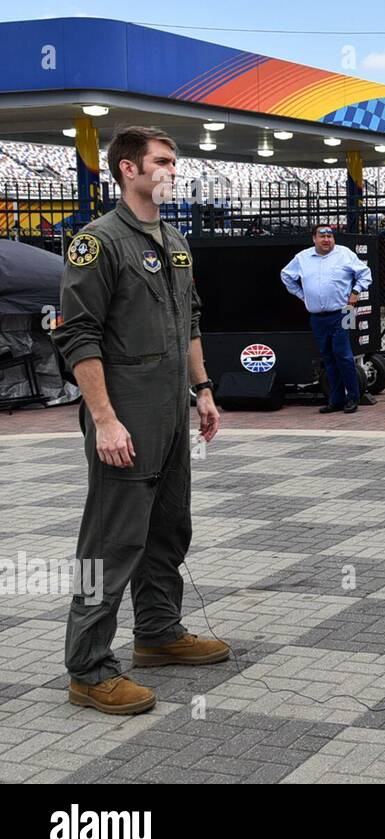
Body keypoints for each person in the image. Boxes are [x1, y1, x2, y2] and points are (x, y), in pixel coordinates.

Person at [52, 125, 228, 717]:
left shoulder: (174, 239)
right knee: (113, 538)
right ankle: (89, 668)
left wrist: (202, 389)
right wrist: (104, 419)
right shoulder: (99, 243)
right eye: (161, 161)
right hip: (124, 410)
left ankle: (157, 633)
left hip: (171, 410)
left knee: (168, 527)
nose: (171, 171)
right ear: (128, 169)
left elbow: (191, 320)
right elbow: (77, 336)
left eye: (174, 162)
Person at [280, 224, 373, 414]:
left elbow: (365, 274)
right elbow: (286, 275)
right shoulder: (302, 258)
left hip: (344, 312)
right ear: (314, 238)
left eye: (330, 236)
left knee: (345, 356)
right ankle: (335, 399)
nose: (326, 240)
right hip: (317, 316)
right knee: (328, 358)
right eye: (322, 236)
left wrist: (355, 292)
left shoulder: (345, 254)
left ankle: (353, 397)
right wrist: (302, 294)